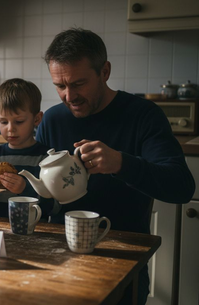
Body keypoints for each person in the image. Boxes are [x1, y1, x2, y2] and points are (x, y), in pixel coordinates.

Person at [37, 27, 195, 305]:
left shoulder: (143, 116)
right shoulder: (52, 120)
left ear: (105, 71)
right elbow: (38, 193)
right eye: (60, 86)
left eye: (78, 83)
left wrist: (121, 163)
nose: (69, 96)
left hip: (124, 256)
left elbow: (181, 187)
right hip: (60, 254)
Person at [0, 78, 54, 218]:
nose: (10, 129)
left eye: (19, 121)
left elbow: (53, 207)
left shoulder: (46, 158)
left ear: (37, 119)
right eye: (3, 122)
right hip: (0, 227)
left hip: (35, 229)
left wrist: (25, 189)